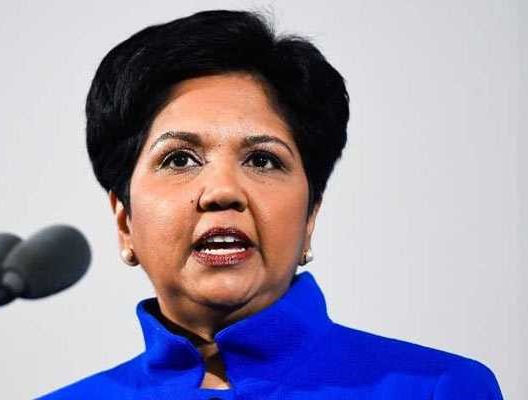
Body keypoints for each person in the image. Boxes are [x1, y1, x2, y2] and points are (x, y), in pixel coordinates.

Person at [40, 9, 503, 399]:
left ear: (310, 217)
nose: (222, 191)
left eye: (262, 160)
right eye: (179, 159)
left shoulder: (436, 389)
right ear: (124, 222)